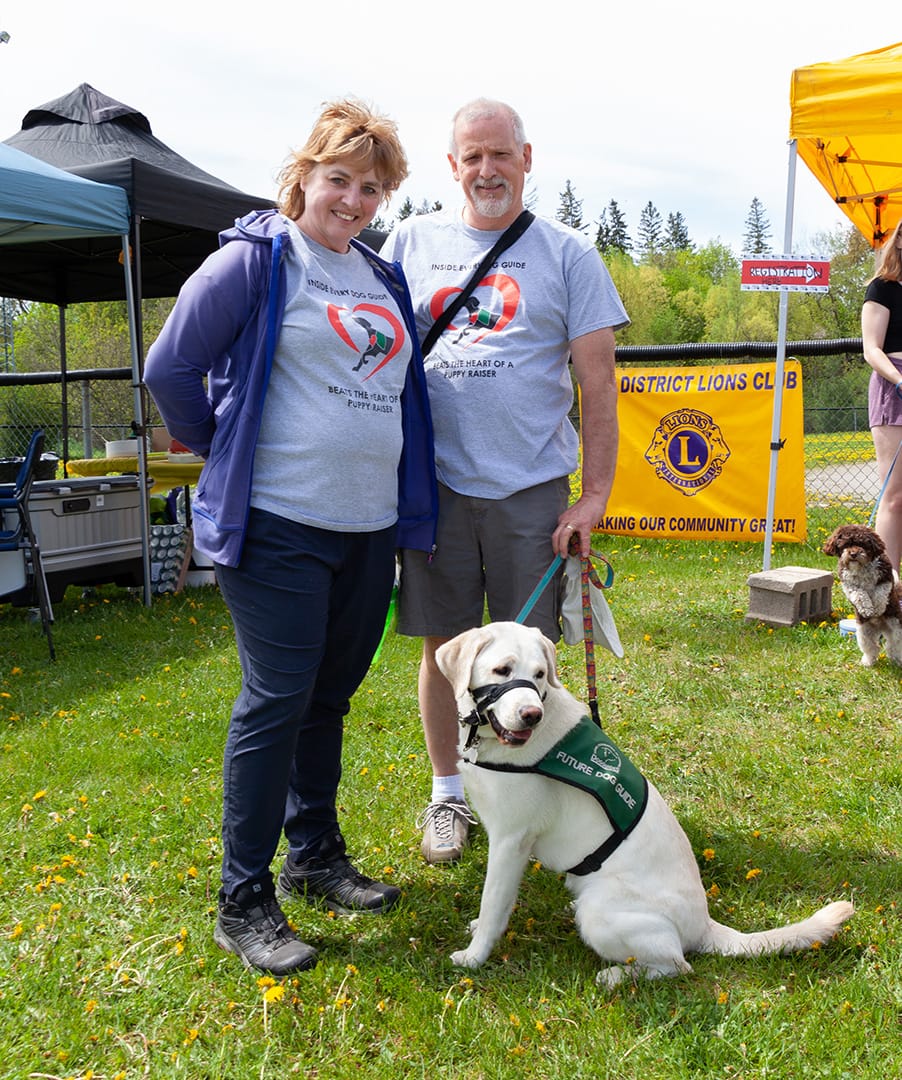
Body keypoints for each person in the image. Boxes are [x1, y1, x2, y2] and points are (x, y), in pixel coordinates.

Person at [144, 99, 437, 975]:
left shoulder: (381, 278)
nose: (352, 199)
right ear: (303, 174)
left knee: (328, 698)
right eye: (339, 179)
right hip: (278, 524)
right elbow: (170, 368)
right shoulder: (257, 259)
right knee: (276, 700)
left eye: (371, 187)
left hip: (366, 526)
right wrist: (218, 441)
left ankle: (313, 856)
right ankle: (244, 897)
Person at [380, 97, 628, 864]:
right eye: (471, 157)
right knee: (445, 649)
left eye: (500, 154)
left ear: (527, 158)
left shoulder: (567, 255)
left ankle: (537, 793)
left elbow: (598, 383)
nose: (486, 169)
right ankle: (449, 796)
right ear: (452, 166)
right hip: (437, 490)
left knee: (534, 653)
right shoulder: (409, 241)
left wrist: (592, 496)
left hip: (531, 492)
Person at [862, 217, 902, 575]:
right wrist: (898, 379)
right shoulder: (883, 288)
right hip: (895, 390)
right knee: (896, 497)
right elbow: (871, 349)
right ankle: (886, 588)